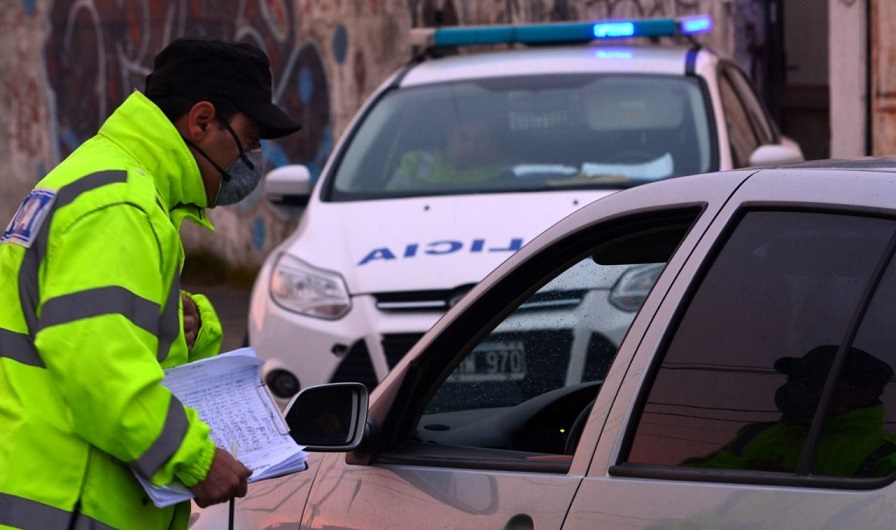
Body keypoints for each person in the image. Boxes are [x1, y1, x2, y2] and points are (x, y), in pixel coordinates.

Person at [0, 37, 300, 529]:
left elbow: (106, 336)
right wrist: (195, 460)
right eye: (248, 140)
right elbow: (100, 366)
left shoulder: (110, 181)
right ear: (201, 121)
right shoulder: (119, 208)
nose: (253, 157)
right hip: (67, 507)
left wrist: (196, 326)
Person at [683, 345, 896, 477]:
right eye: (795, 379)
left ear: (865, 395)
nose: (799, 389)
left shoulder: (884, 459)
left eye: (816, 382)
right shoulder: (754, 435)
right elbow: (684, 481)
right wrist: (747, 468)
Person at [388, 115, 507, 190]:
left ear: (493, 142)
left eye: (481, 139)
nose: (472, 145)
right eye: (464, 137)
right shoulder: (416, 161)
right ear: (450, 138)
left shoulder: (510, 167)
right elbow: (390, 201)